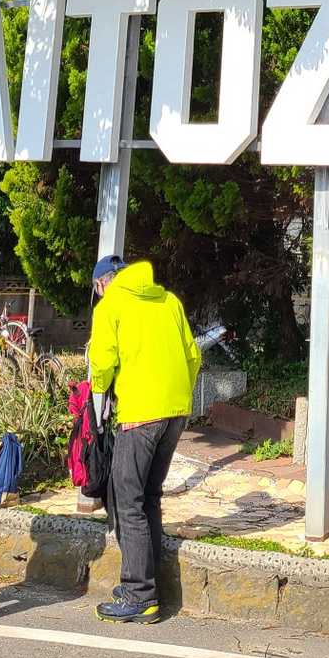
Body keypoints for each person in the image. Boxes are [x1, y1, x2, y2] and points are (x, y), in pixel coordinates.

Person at [88, 254, 201, 625]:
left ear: (102, 282)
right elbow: (193, 355)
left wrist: (101, 394)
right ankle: (151, 586)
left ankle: (139, 595)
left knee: (127, 501)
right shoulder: (169, 301)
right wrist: (178, 396)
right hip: (176, 412)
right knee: (149, 496)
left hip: (140, 414)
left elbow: (102, 362)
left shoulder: (111, 305)